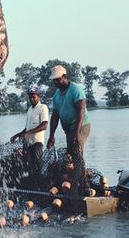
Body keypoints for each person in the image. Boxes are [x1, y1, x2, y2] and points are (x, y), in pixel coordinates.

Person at [46, 65, 91, 201]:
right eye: (54, 81)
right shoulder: (57, 96)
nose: (56, 83)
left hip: (81, 127)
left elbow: (81, 111)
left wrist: (76, 133)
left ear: (64, 77)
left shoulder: (75, 89)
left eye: (58, 80)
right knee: (70, 157)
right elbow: (55, 116)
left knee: (77, 155)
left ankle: (82, 187)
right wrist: (51, 135)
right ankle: (73, 185)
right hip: (69, 130)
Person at [10, 87, 49, 188]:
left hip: (37, 142)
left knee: (37, 165)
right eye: (30, 97)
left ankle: (39, 187)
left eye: (34, 97)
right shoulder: (29, 110)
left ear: (38, 96)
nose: (32, 99)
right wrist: (17, 135)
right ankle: (31, 186)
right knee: (28, 165)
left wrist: (29, 132)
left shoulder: (42, 107)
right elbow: (26, 128)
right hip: (28, 143)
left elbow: (44, 125)